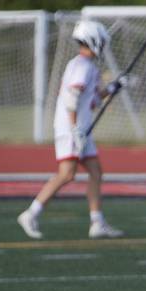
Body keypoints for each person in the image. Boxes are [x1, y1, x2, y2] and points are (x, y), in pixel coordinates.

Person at [17, 20, 123, 240]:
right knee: (67, 174)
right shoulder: (81, 66)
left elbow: (90, 100)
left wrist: (113, 88)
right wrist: (75, 129)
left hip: (80, 128)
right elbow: (72, 99)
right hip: (72, 128)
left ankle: (97, 223)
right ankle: (31, 213)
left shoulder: (87, 66)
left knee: (95, 171)